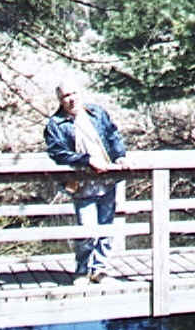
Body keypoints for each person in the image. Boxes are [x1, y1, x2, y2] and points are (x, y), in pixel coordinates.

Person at [44, 83, 130, 283]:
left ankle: (99, 271)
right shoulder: (55, 124)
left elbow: (112, 134)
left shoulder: (97, 113)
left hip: (107, 180)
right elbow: (57, 153)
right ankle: (82, 271)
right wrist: (86, 160)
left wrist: (120, 156)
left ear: (80, 93)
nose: (71, 98)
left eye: (74, 93)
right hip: (81, 183)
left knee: (106, 228)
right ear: (60, 100)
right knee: (87, 230)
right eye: (66, 95)